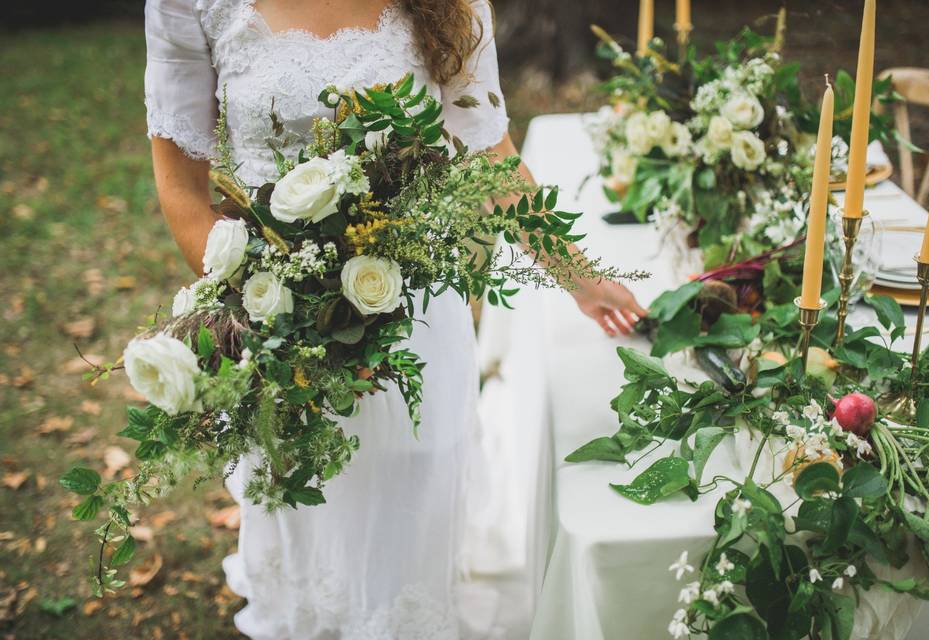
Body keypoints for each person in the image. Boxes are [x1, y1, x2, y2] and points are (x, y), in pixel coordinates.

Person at [145, 1, 646, 637]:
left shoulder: (453, 5)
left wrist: (582, 279)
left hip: (413, 318)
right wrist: (267, 306)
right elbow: (182, 188)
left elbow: (489, 155)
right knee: (308, 507)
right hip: (280, 329)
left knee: (413, 509)